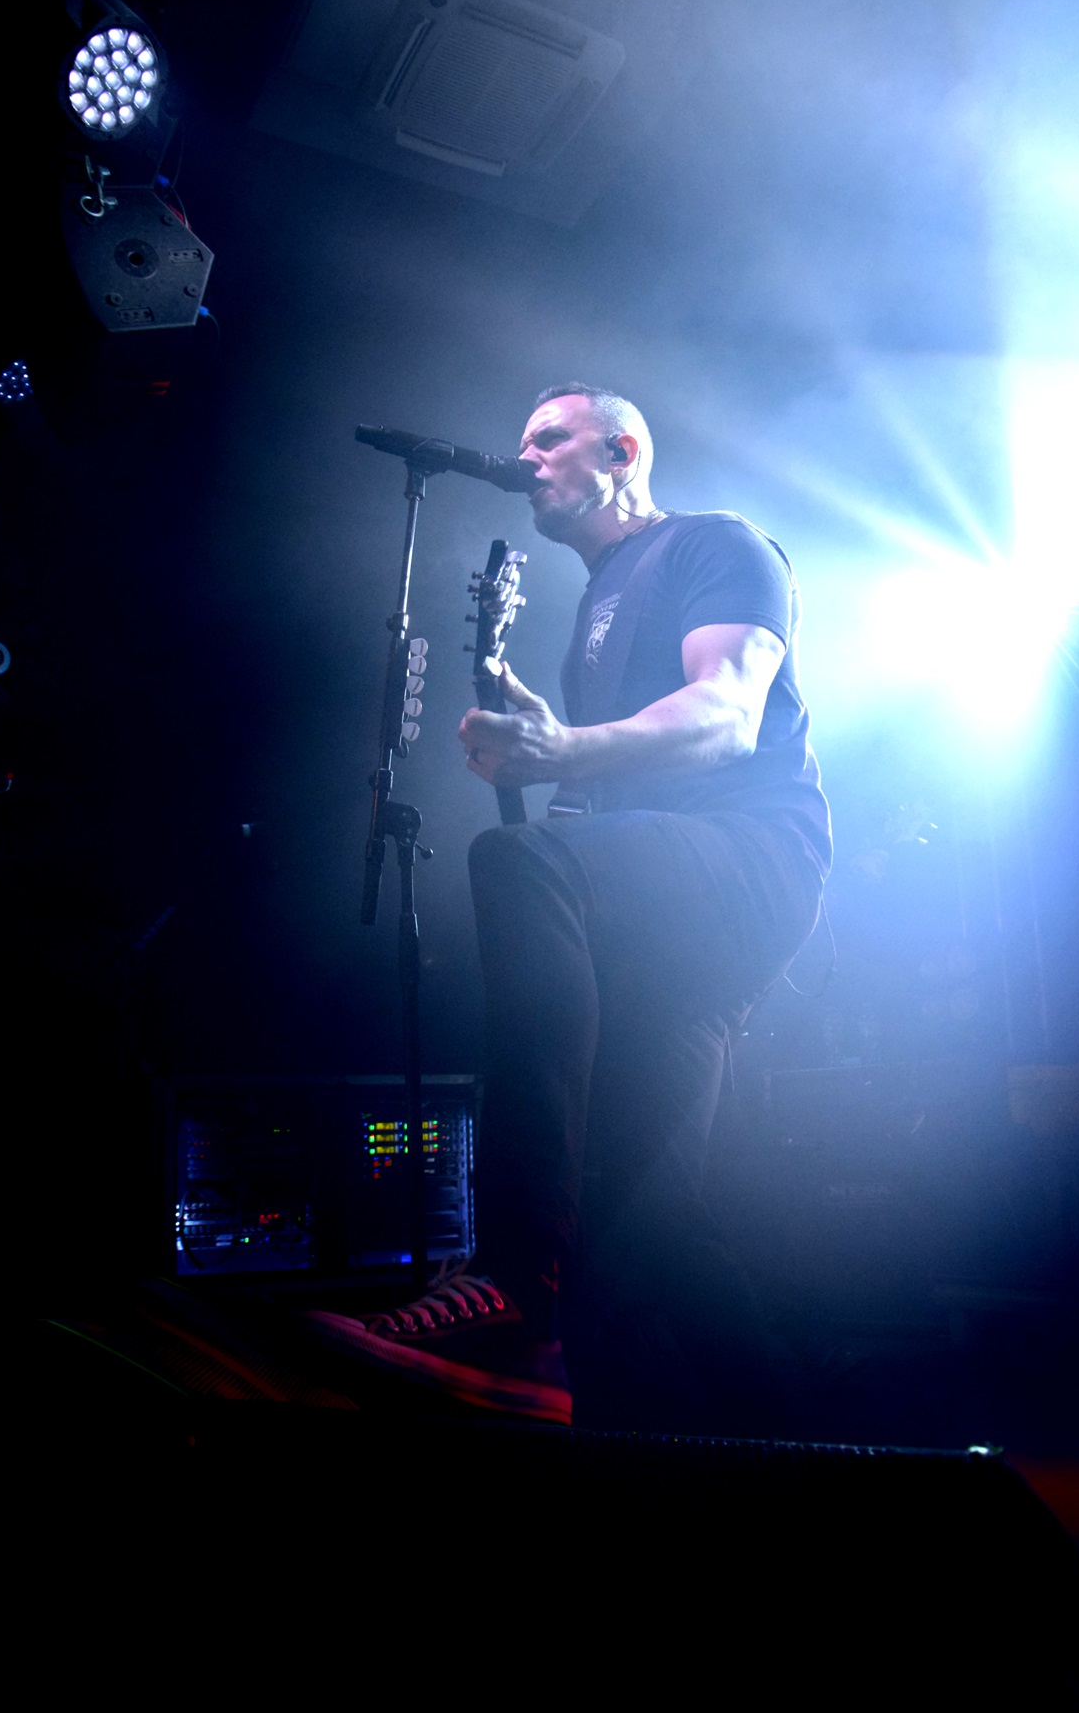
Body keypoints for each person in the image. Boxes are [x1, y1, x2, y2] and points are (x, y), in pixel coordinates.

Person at [306, 384, 831, 1424]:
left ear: (622, 451)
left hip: (752, 858)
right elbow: (606, 803)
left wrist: (566, 749)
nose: (528, 458)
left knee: (517, 862)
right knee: (643, 1231)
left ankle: (508, 1277)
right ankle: (826, 1458)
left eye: (551, 439)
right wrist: (551, 745)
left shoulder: (714, 545)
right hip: (667, 916)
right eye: (524, 442)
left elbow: (728, 714)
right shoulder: (595, 606)